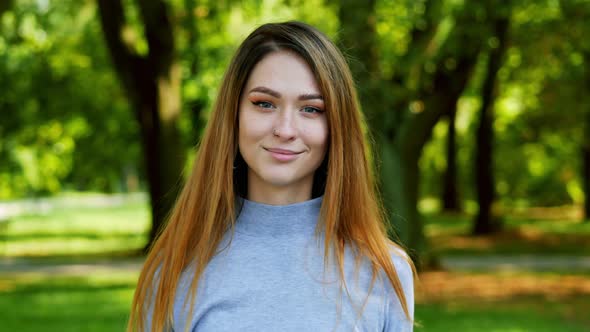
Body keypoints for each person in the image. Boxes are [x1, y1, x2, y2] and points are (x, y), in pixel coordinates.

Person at [128, 21, 415, 332]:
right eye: (264, 104)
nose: (285, 129)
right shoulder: (175, 269)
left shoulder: (385, 271)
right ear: (233, 114)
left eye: (311, 109)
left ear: (336, 127)